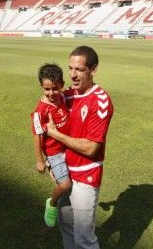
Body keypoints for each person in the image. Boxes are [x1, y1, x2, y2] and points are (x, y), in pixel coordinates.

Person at [46, 45, 114, 249]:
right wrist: (50, 161)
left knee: (84, 238)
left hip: (85, 176)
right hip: (65, 174)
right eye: (70, 69)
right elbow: (42, 115)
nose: (73, 75)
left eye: (79, 70)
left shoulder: (100, 101)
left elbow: (91, 148)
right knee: (66, 227)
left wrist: (57, 134)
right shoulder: (66, 95)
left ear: (93, 70)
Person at [31, 64, 72, 227]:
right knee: (65, 185)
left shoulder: (62, 97)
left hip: (68, 146)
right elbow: (37, 136)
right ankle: (52, 204)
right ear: (42, 86)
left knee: (72, 185)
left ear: (61, 84)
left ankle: (54, 172)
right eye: (47, 89)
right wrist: (40, 161)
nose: (51, 93)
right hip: (54, 151)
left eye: (55, 88)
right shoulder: (40, 111)